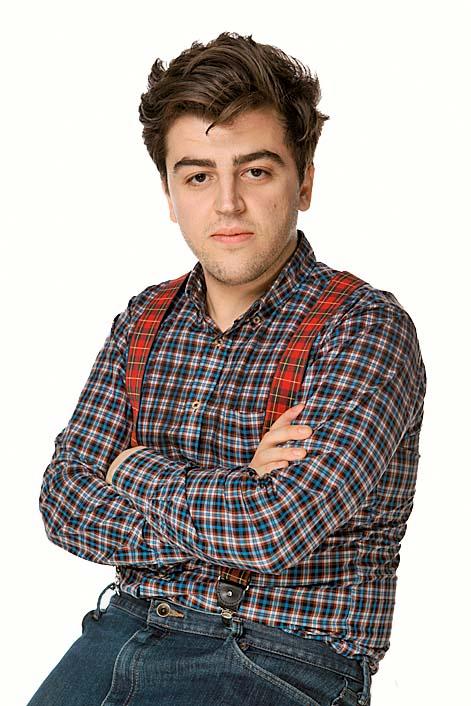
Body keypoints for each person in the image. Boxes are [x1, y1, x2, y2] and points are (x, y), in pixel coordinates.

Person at [28, 31, 426, 706]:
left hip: (278, 654)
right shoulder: (142, 319)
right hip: (123, 626)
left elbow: (273, 530)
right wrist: (240, 487)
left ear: (304, 181)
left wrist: (130, 468)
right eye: (198, 176)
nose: (227, 203)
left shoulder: (363, 327)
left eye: (256, 171)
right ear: (169, 192)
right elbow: (63, 503)